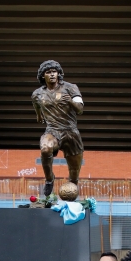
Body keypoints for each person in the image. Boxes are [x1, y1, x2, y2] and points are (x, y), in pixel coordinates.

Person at [31, 60, 85, 197]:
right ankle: (49, 179)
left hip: (71, 132)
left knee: (74, 174)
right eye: (48, 72)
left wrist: (71, 102)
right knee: (45, 148)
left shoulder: (71, 88)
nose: (52, 74)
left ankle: (70, 198)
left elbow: (80, 109)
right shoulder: (37, 94)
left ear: (59, 73)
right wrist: (39, 116)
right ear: (43, 76)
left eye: (54, 71)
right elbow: (36, 105)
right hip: (53, 130)